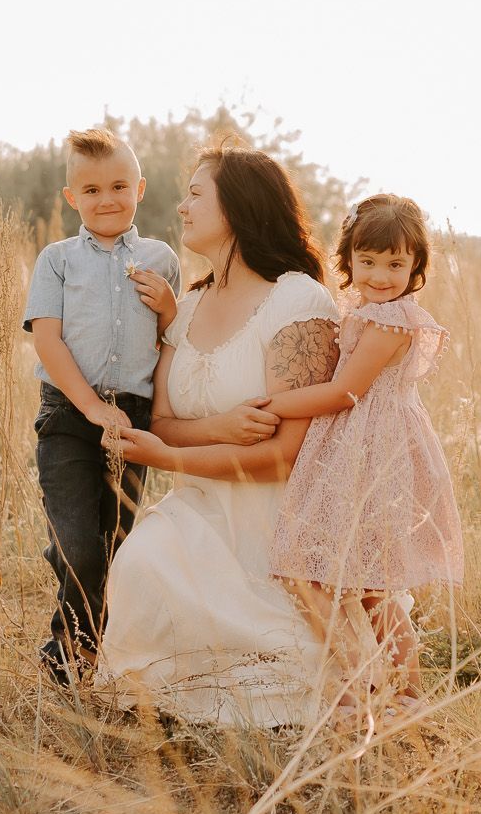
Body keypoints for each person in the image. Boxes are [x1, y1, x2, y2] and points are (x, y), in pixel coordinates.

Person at [95, 143, 344, 727]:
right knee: (139, 568)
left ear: (236, 206)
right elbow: (160, 424)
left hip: (277, 522)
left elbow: (286, 456)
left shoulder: (296, 300)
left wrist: (170, 456)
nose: (180, 207)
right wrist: (217, 430)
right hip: (198, 509)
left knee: (283, 661)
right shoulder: (186, 308)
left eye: (195, 193)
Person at [267, 194, 463, 711]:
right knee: (358, 579)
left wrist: (270, 403)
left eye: (395, 263)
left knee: (343, 577)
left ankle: (389, 691)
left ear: (416, 266)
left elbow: (344, 392)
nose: (379, 275)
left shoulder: (392, 320)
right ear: (349, 260)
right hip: (358, 445)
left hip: (375, 451)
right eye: (368, 261)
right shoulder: (368, 310)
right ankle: (374, 689)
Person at [23, 128, 182, 683]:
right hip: (69, 415)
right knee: (78, 547)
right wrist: (91, 408)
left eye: (118, 185)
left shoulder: (161, 257)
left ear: (139, 188)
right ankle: (66, 648)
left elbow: (173, 342)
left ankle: (85, 651)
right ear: (72, 199)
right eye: (90, 190)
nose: (106, 199)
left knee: (116, 544)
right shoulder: (57, 259)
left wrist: (169, 307)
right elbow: (47, 340)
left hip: (134, 417)